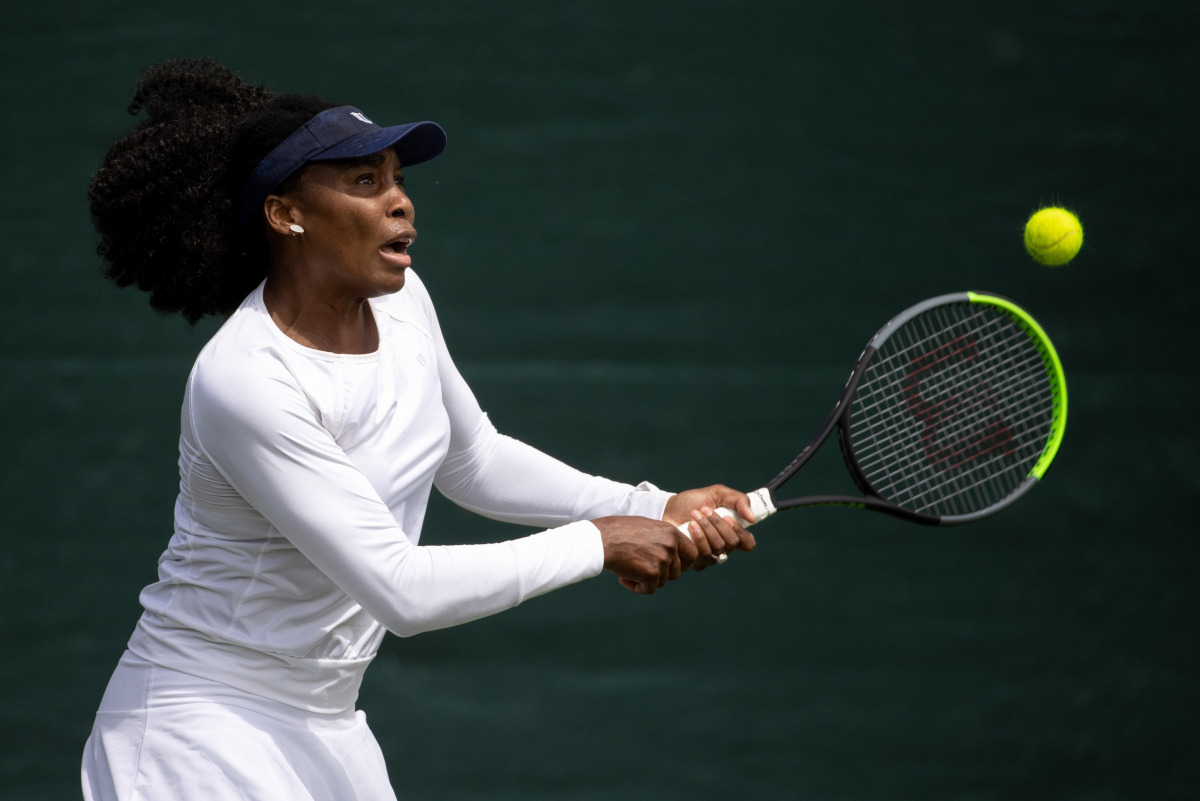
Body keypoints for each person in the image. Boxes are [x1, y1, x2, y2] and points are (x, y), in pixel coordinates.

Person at [80, 57, 756, 801]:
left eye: (398, 178)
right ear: (285, 213)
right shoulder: (246, 379)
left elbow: (474, 459)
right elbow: (401, 590)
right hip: (197, 733)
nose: (401, 202)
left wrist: (650, 506)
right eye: (365, 182)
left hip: (326, 724)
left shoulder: (403, 304)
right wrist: (604, 540)